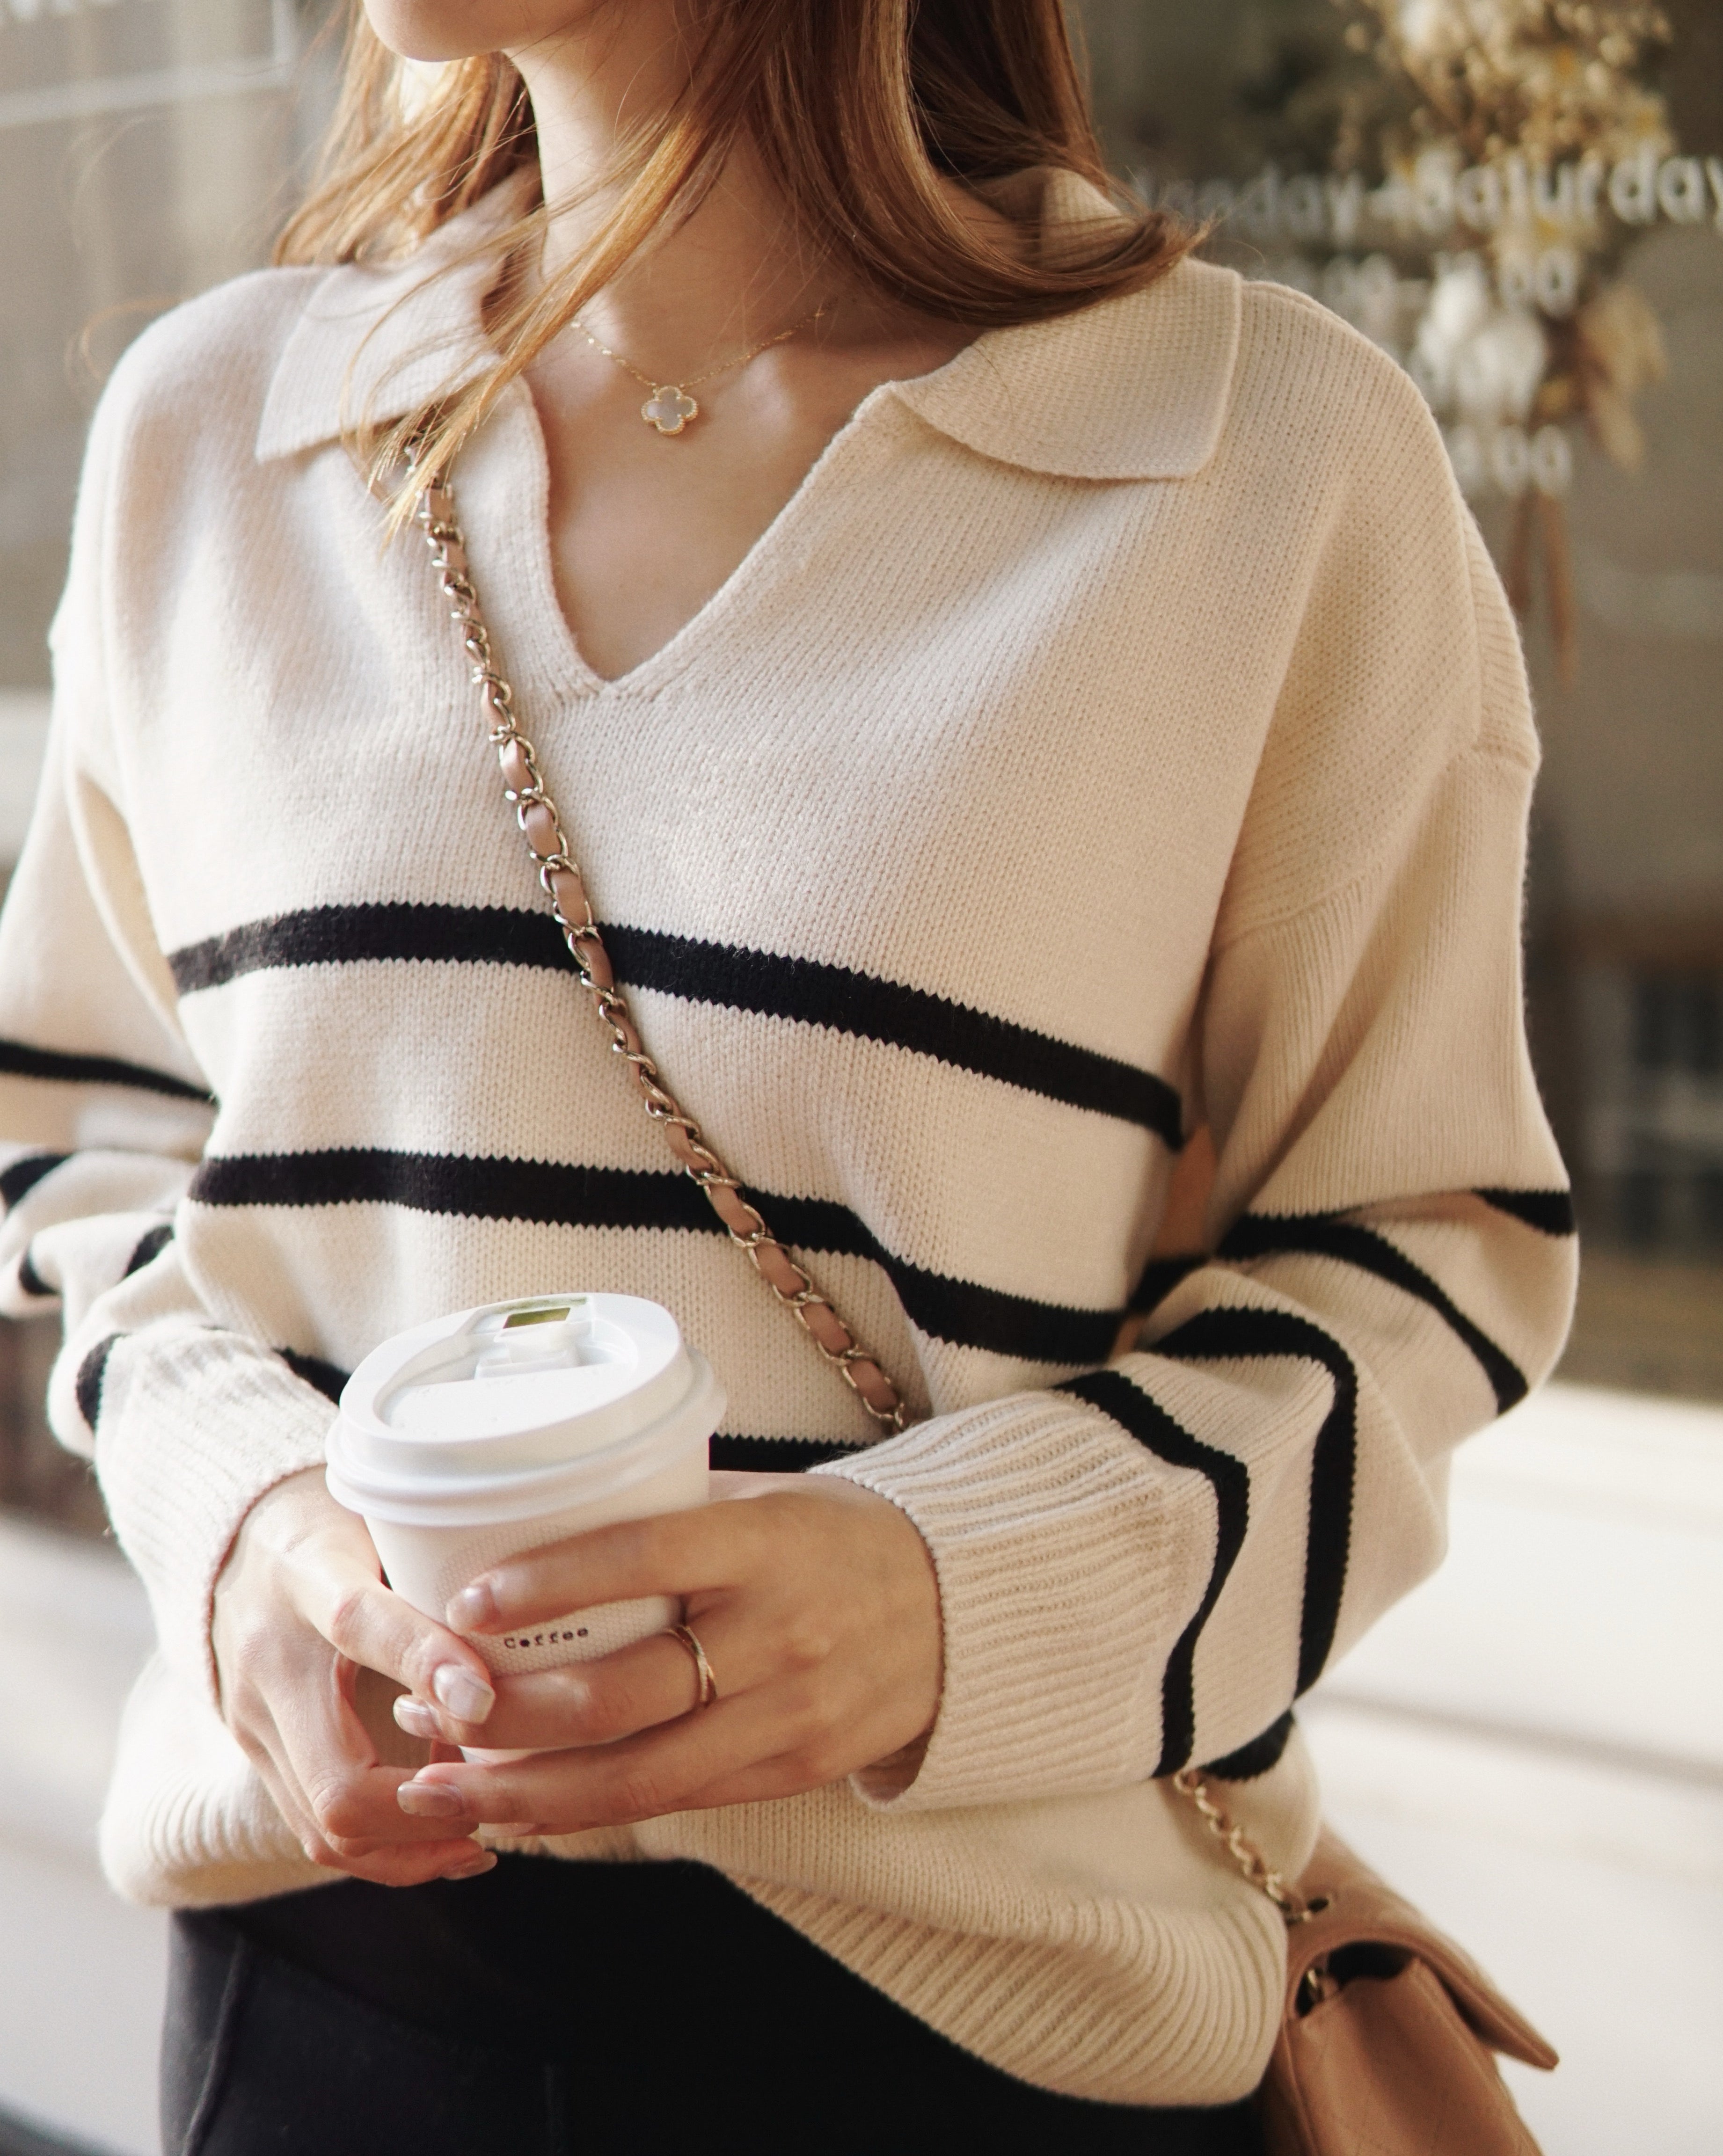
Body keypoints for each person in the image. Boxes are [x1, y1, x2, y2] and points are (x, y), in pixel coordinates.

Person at [0, 0, 1576, 2149]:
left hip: (991, 2044)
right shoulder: (214, 429)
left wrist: (955, 1601)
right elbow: (78, 1139)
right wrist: (243, 1528)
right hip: (325, 2005)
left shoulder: (1264, 461)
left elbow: (1424, 1253)